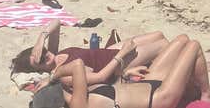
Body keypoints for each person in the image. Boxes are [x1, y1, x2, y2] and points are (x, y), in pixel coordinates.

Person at [30, 37, 210, 108]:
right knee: (194, 46)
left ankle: (191, 88)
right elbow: (78, 64)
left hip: (144, 84)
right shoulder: (79, 103)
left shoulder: (78, 95)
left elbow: (112, 89)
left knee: (181, 41)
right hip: (158, 98)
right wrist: (53, 76)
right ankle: (207, 94)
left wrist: (126, 75)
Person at [11, 20, 168, 82]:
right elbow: (100, 77)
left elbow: (57, 23)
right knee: (163, 45)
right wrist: (122, 54)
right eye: (40, 61)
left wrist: (41, 39)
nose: (45, 56)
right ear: (39, 71)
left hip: (106, 51)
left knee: (158, 35)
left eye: (41, 52)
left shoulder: (54, 53)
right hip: (119, 62)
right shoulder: (63, 72)